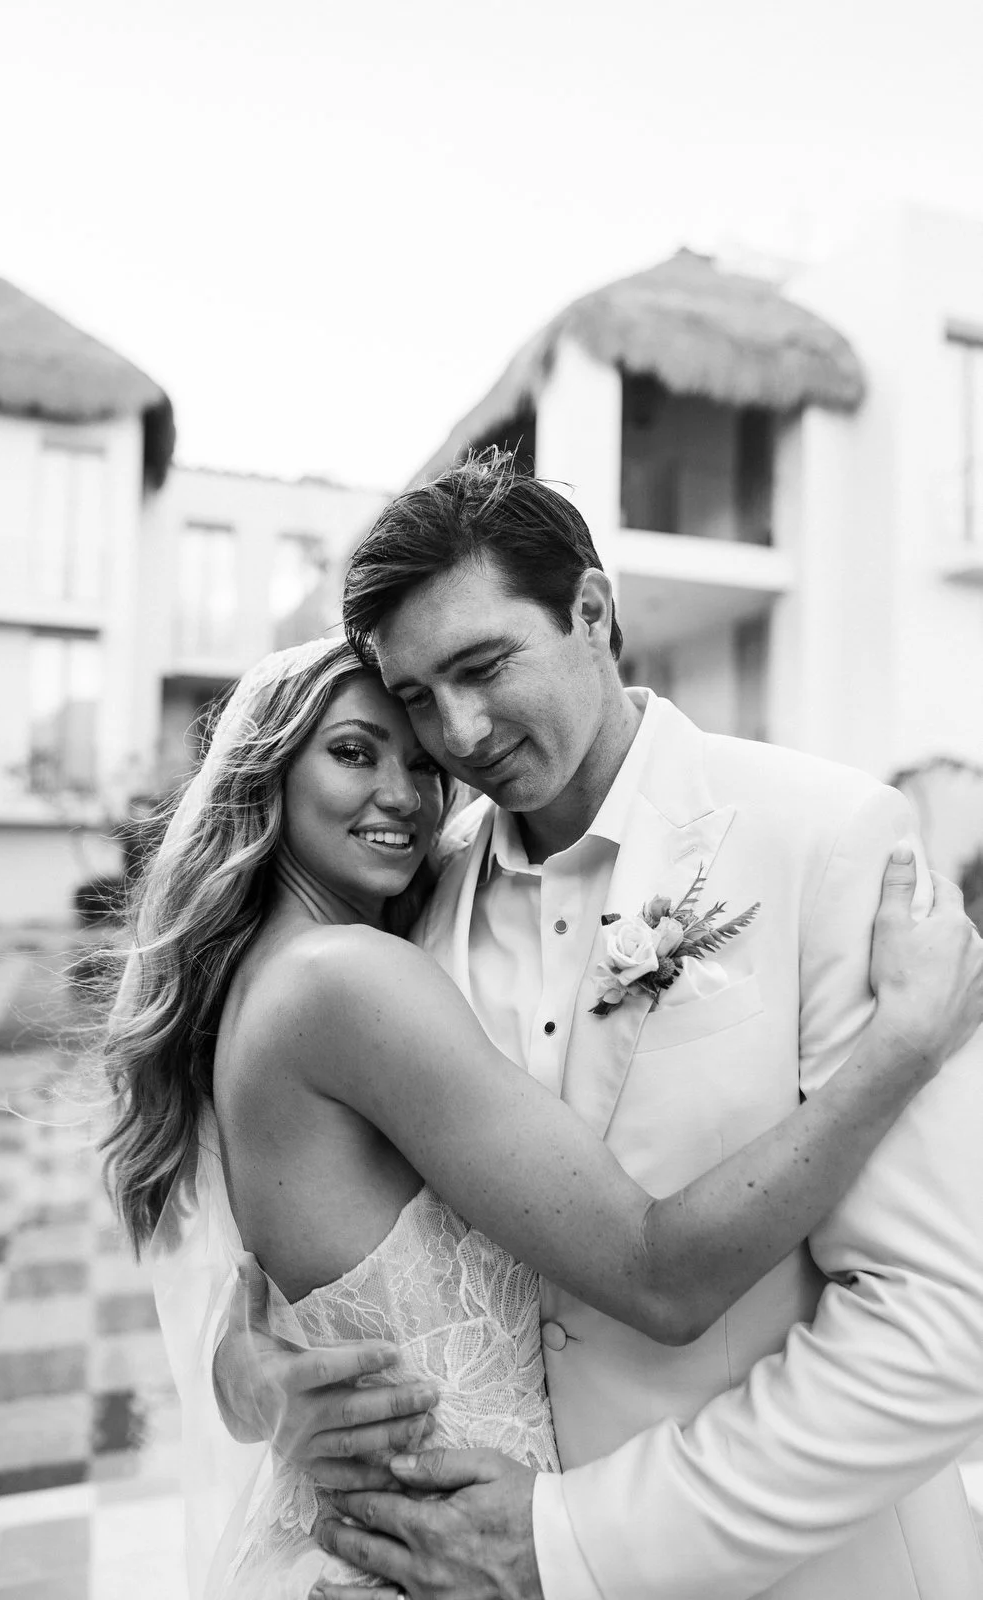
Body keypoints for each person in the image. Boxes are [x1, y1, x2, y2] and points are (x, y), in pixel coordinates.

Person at [211, 451, 983, 1600]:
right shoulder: (407, 903)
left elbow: (941, 1326)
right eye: (416, 696)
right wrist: (262, 1383)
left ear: (590, 611)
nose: (459, 732)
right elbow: (292, 1250)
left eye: (483, 666)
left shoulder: (825, 839)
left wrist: (576, 1544)